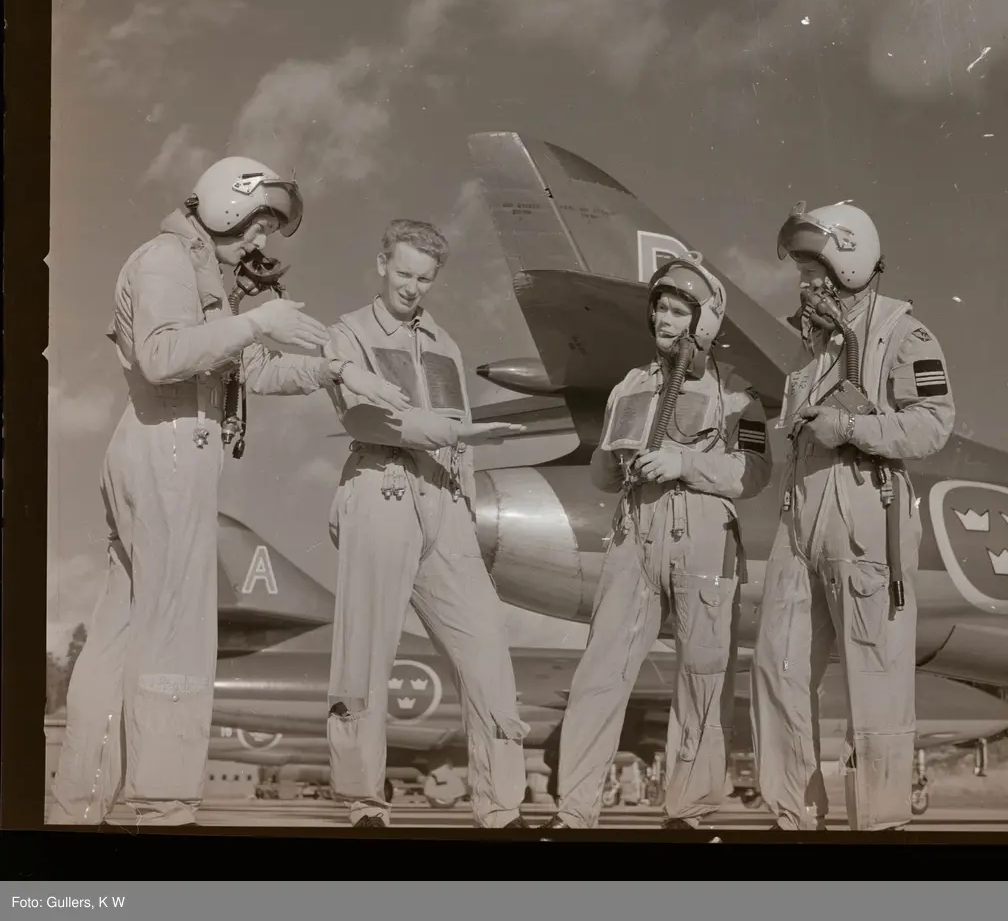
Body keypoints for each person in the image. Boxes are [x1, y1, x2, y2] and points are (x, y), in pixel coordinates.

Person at [48, 156, 406, 828]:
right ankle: (164, 805)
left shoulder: (200, 276)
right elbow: (162, 356)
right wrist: (256, 324)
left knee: (119, 637)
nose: (259, 242)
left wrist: (333, 371)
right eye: (257, 226)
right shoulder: (166, 261)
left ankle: (79, 807)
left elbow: (255, 372)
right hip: (169, 445)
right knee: (177, 631)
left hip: (162, 447)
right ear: (226, 206)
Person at [541, 253, 772, 836]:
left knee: (703, 672)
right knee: (600, 671)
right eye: (660, 310)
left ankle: (687, 813)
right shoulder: (630, 386)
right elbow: (601, 476)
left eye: (677, 312)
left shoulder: (736, 393)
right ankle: (573, 812)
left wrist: (684, 463)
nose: (664, 321)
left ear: (704, 320)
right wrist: (609, 456)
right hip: (634, 531)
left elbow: (754, 472)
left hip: (704, 534)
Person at [750, 202, 955, 832]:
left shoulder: (904, 334)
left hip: (866, 513)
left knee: (876, 674)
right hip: (800, 521)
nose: (803, 283)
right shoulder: (811, 346)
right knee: (777, 666)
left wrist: (848, 427)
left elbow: (932, 423)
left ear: (848, 262)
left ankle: (880, 824)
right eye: (801, 271)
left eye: (812, 270)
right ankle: (793, 817)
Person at [321, 218, 531, 830]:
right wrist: (453, 433)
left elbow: (460, 441)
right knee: (365, 655)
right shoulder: (347, 333)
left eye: (425, 279)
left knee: (487, 648)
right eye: (404, 273)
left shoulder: (445, 344)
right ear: (382, 263)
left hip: (446, 500)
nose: (413, 288)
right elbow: (362, 417)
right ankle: (364, 804)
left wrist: (465, 502)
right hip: (380, 488)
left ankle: (502, 808)